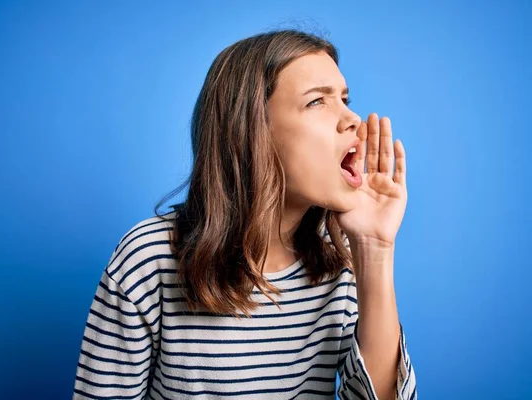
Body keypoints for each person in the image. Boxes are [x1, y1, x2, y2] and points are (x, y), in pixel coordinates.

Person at [73, 28, 417, 400]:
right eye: (317, 101)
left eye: (345, 99)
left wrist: (374, 249)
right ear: (253, 129)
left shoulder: (338, 265)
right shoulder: (149, 260)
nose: (352, 119)